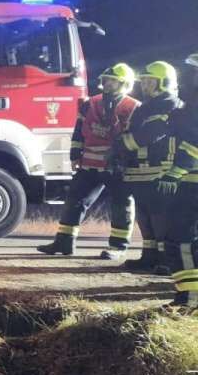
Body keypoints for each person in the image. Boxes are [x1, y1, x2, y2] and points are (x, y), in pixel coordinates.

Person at [37, 63, 139, 256]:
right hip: (89, 164)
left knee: (121, 205)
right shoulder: (90, 103)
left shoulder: (132, 107)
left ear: (124, 84)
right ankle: (64, 242)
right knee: (74, 200)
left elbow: (135, 139)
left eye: (113, 81)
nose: (107, 84)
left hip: (117, 166)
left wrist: (128, 163)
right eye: (106, 80)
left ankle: (118, 247)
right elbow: (79, 131)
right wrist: (75, 155)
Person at [115, 62, 181, 269]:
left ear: (164, 82)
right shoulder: (145, 107)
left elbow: (150, 134)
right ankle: (149, 256)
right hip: (140, 170)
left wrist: (121, 145)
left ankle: (166, 260)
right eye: (143, 81)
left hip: (159, 169)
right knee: (145, 216)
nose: (145, 85)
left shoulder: (170, 104)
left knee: (161, 217)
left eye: (150, 81)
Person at [160, 58, 198, 309]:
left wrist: (175, 172)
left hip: (191, 184)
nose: (188, 78)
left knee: (181, 241)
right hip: (189, 183)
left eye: (193, 72)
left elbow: (193, 145)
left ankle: (190, 300)